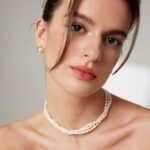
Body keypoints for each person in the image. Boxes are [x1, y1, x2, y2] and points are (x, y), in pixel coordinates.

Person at [0, 0, 150, 149]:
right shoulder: (6, 142)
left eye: (112, 40)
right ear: (42, 34)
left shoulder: (145, 133)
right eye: (77, 27)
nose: (93, 54)